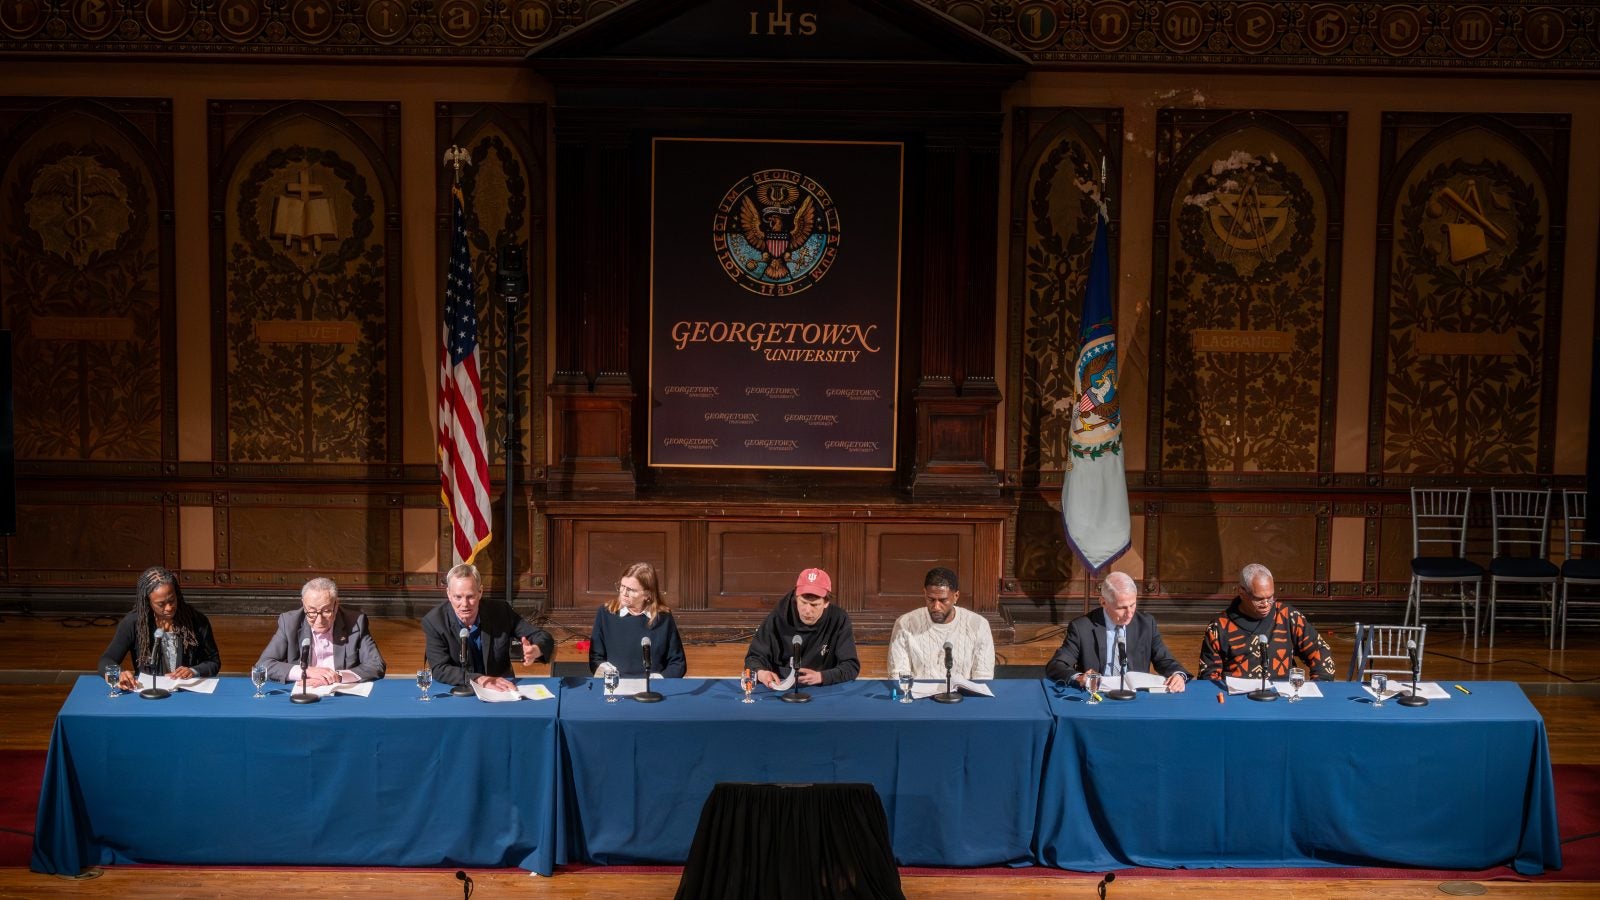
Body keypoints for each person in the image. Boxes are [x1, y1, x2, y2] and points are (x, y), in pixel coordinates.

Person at [1045, 571, 1189, 692]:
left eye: (1132, 605)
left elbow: (1164, 660)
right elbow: (1056, 665)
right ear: (1103, 602)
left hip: (1136, 696)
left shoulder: (1146, 623)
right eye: (1121, 608)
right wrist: (1079, 677)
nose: (1129, 613)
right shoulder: (1082, 627)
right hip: (1099, 695)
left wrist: (1178, 675)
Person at [422, 563, 555, 691]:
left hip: (502, 689)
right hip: (461, 690)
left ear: (480, 592)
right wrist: (479, 679)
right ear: (449, 594)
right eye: (458, 597)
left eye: (470, 596)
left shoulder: (500, 611)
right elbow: (440, 669)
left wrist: (537, 649)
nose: (464, 604)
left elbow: (542, 637)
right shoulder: (434, 622)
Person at [1199, 563, 1336, 682]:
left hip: (1282, 698)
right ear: (1242, 593)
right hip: (1237, 701)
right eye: (1259, 599)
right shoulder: (1219, 627)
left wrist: (1318, 686)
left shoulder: (1288, 616)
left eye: (1270, 597)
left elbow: (1320, 652)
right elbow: (1208, 676)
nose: (1266, 604)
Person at [98, 566, 221, 691]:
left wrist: (194, 671)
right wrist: (118, 674)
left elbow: (214, 662)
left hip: (186, 694)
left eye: (172, 600)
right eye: (161, 604)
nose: (168, 608)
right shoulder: (134, 623)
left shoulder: (196, 620)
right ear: (148, 601)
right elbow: (106, 660)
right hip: (148, 694)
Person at [255, 577, 386, 685]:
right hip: (302, 691)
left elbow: (376, 665)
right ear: (303, 604)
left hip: (341, 693)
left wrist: (337, 676)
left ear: (336, 604)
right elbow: (264, 665)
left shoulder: (355, 622)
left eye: (326, 611)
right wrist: (306, 671)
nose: (319, 620)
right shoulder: (289, 622)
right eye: (311, 612)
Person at [744, 567, 860, 689]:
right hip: (780, 686)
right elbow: (753, 658)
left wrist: (822, 677)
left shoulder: (838, 619)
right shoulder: (778, 616)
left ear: (826, 603)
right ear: (796, 597)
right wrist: (761, 673)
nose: (807, 610)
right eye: (803, 602)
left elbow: (851, 666)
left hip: (823, 687)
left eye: (814, 605)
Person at [887, 566, 994, 681]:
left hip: (962, 697)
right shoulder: (905, 624)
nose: (936, 607)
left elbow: (983, 676)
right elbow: (897, 675)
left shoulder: (978, 625)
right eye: (931, 599)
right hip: (918, 696)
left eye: (943, 600)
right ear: (924, 593)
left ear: (956, 596)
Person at [588, 562, 687, 677]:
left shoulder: (663, 617)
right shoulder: (606, 613)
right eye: (622, 586)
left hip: (652, 689)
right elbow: (596, 659)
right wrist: (604, 670)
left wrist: (661, 679)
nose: (624, 593)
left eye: (631, 590)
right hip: (616, 686)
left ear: (647, 595)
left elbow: (678, 663)